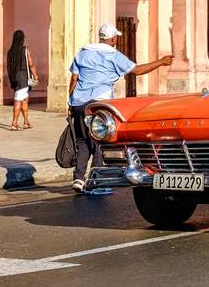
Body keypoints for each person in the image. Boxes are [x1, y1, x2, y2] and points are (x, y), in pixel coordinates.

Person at [67, 23, 173, 192]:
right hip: (98, 104)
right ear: (113, 38)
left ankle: (78, 179)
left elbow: (74, 78)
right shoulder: (114, 55)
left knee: (83, 142)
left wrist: (70, 103)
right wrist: (160, 62)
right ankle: (98, 181)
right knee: (100, 143)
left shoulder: (83, 53)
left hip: (78, 102)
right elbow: (137, 70)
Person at [6, 30, 38, 131]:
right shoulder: (25, 50)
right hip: (24, 79)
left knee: (24, 100)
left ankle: (26, 122)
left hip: (15, 78)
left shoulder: (10, 51)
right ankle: (14, 124)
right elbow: (31, 64)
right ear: (22, 39)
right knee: (18, 101)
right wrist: (36, 76)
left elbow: (8, 66)